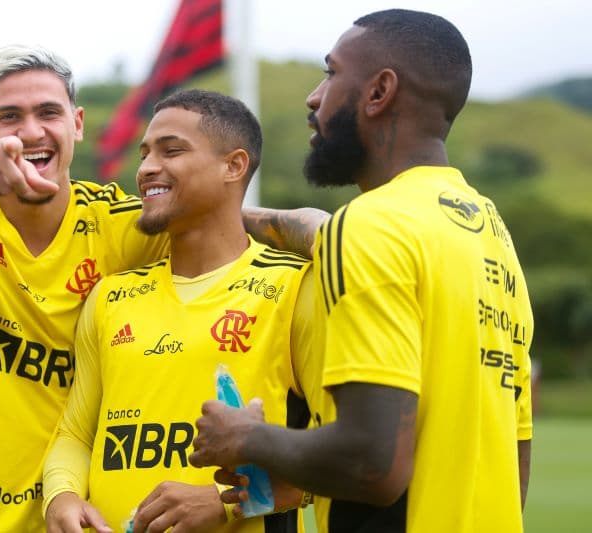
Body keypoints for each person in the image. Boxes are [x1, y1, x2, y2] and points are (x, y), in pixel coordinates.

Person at [0, 45, 323, 531]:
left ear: (77, 124)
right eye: (9, 116)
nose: (31, 131)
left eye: (48, 113)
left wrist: (335, 237)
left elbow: (206, 216)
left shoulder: (121, 226)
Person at [189, 9, 534, 533]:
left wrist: (244, 437)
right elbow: (517, 449)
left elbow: (373, 464)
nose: (313, 97)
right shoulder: (489, 233)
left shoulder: (369, 227)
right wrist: (224, 218)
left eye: (330, 74)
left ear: (379, 93)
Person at [42, 89, 316, 533]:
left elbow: (356, 456)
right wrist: (61, 495)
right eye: (145, 153)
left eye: (172, 151)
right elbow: (74, 434)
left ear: (234, 165)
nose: (147, 167)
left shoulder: (294, 287)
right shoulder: (109, 296)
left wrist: (225, 502)